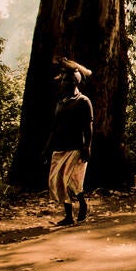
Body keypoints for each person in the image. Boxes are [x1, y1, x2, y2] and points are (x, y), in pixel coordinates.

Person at [43, 58, 93, 226]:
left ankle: (82, 205)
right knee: (57, 181)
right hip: (59, 147)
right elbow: (54, 129)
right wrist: (47, 149)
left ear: (76, 82)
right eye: (64, 80)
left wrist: (87, 146)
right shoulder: (61, 104)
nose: (65, 83)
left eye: (69, 80)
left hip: (75, 147)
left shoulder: (83, 101)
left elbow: (88, 126)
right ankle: (69, 215)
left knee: (69, 181)